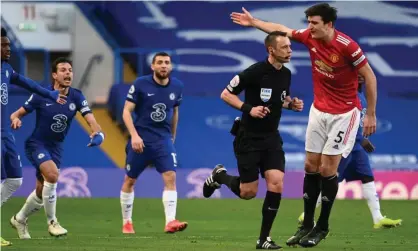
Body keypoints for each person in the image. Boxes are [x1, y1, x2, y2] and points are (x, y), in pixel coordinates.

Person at [231, 3, 378, 247]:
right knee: (310, 165)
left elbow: (370, 77)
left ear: (328, 24)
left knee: (327, 170)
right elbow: (280, 29)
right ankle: (306, 224)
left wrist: (371, 114)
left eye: (314, 23)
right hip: (319, 110)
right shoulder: (309, 37)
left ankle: (322, 227)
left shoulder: (347, 46)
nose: (309, 27)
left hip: (344, 113)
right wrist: (254, 22)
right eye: (308, 22)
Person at [203, 31, 304, 250]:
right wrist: (249, 109)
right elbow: (226, 94)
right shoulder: (253, 72)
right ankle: (219, 176)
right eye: (285, 47)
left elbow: (280, 100)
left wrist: (291, 105)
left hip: (271, 138)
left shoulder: (286, 74)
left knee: (276, 182)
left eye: (290, 47)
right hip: (248, 137)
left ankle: (263, 239)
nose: (290, 51)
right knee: (248, 193)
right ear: (271, 50)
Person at [9, 57, 104, 239]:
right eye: (63, 70)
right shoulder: (41, 94)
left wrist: (97, 134)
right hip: (37, 144)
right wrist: (16, 118)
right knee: (52, 175)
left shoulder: (76, 96)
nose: (67, 73)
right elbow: (17, 113)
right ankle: (52, 222)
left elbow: (91, 119)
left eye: (70, 70)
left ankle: (19, 218)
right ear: (54, 75)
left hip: (56, 148)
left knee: (40, 189)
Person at [298, 76, 402, 229]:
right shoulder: (347, 98)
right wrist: (362, 139)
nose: (359, 76)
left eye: (361, 74)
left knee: (367, 177)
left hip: (357, 148)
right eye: (356, 74)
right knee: (331, 179)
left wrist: (361, 140)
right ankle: (307, 215)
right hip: (344, 146)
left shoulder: (363, 98)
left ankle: (377, 218)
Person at [1, 27, 65, 246]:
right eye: (4, 45)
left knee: (15, 180)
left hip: (5, 135)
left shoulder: (7, 69)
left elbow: (27, 83)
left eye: (8, 45)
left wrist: (49, 94)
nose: (8, 49)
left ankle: (18, 219)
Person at [120, 52, 187, 234]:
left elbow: (175, 112)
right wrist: (134, 135)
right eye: (160, 63)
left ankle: (170, 221)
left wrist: (172, 136)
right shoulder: (141, 84)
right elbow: (126, 111)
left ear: (171, 67)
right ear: (153, 66)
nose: (163, 65)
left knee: (170, 177)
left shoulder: (177, 86)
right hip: (141, 139)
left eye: (166, 62)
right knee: (130, 180)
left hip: (163, 140)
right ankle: (127, 222)